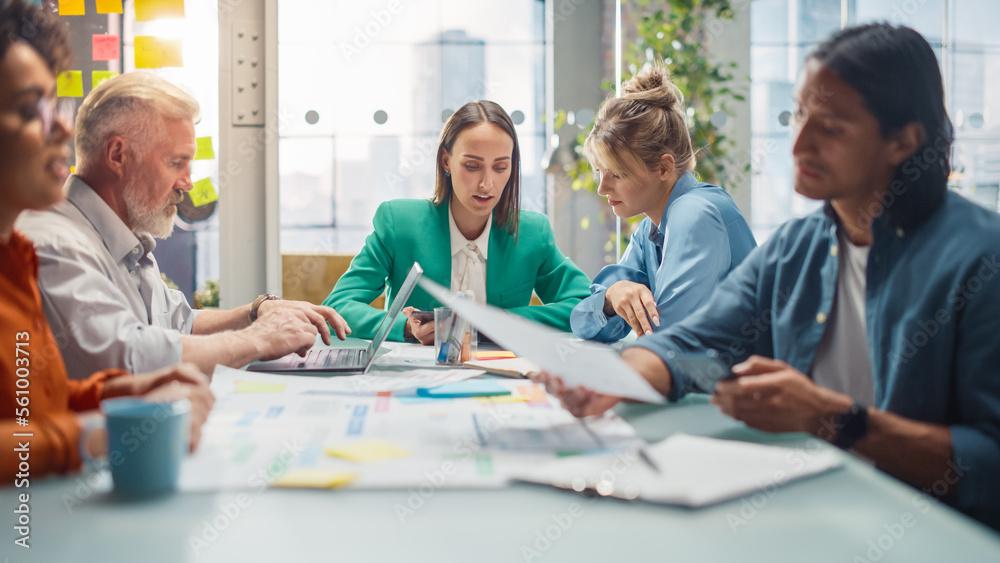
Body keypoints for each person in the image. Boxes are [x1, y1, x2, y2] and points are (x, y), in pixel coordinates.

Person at [536, 23, 1000, 530]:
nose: (799, 142)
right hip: (812, 511)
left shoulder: (981, 258)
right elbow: (693, 340)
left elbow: (990, 461)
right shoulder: (795, 248)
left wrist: (834, 418)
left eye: (832, 126)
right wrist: (613, 379)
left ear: (903, 142)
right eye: (799, 113)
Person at [17, 72, 351, 380]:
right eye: (176, 163)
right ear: (118, 155)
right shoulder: (55, 243)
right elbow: (124, 356)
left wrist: (256, 312)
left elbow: (180, 324)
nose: (188, 183)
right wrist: (259, 339)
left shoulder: (127, 237)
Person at [1, 0, 213, 481]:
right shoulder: (46, 239)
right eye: (27, 108)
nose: (59, 126)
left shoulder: (15, 257)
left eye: (53, 105)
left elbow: (42, 398)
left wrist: (131, 392)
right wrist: (101, 433)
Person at [324, 100, 591, 343]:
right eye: (472, 166)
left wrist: (503, 321)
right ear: (446, 161)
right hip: (416, 383)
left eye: (500, 167)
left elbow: (584, 304)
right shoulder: (399, 224)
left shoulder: (533, 233)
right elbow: (338, 305)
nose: (487, 184)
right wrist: (405, 327)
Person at [570, 63, 756, 342]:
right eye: (600, 172)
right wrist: (611, 297)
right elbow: (582, 322)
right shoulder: (649, 231)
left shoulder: (695, 214)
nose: (601, 188)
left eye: (618, 174)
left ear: (664, 168)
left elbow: (664, 340)